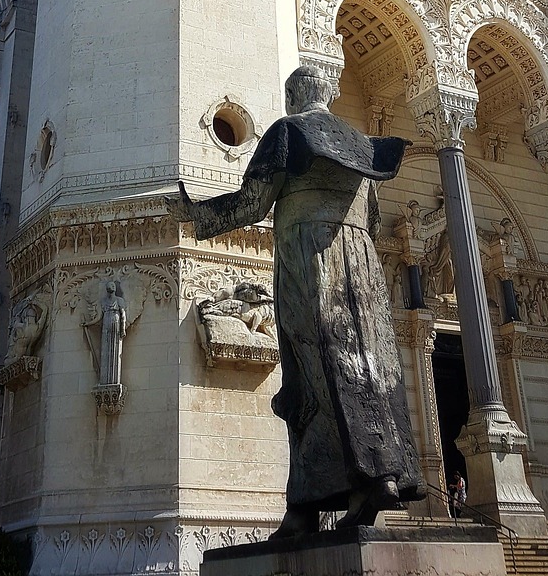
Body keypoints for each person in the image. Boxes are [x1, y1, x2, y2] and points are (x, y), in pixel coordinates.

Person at [171, 65, 425, 536]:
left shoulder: (289, 132)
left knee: (313, 374)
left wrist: (196, 213)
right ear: (328, 94)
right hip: (362, 264)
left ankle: (352, 487)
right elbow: (370, 217)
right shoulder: (363, 145)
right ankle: (362, 481)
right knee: (371, 366)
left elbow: (252, 204)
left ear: (292, 95)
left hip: (310, 257)